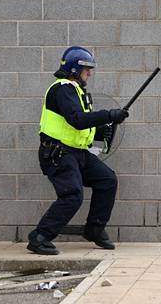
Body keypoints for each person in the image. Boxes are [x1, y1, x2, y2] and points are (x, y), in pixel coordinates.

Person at [27, 46, 129, 255]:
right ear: (75, 69)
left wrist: (103, 131)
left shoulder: (76, 91)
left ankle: (94, 229)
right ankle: (39, 237)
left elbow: (83, 126)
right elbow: (77, 120)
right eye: (86, 69)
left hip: (77, 153)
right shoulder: (63, 88)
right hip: (58, 154)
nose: (90, 73)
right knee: (72, 195)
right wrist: (109, 115)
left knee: (107, 180)